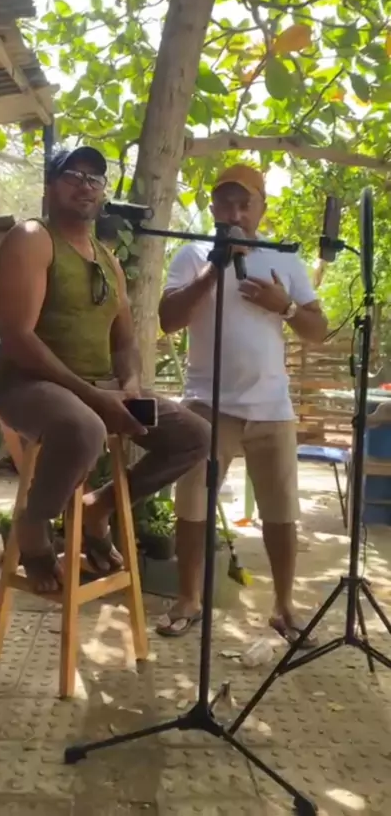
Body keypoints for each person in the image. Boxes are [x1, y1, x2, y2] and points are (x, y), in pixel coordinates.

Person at [0, 146, 210, 593]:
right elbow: (17, 338)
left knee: (194, 435)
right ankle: (33, 523)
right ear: (50, 185)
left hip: (99, 388)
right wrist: (94, 398)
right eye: (73, 175)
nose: (85, 185)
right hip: (31, 386)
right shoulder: (32, 238)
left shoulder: (108, 259)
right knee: (84, 427)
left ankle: (99, 507)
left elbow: (124, 341)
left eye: (94, 178)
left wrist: (129, 386)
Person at [157, 163, 328, 643]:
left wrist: (284, 306)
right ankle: (188, 598)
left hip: (272, 407)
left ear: (262, 209)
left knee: (281, 510)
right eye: (225, 204)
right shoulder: (192, 254)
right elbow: (168, 319)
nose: (233, 214)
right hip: (206, 404)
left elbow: (318, 329)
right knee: (193, 505)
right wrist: (215, 268)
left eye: (244, 204)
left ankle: (283, 606)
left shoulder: (284, 257)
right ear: (212, 207)